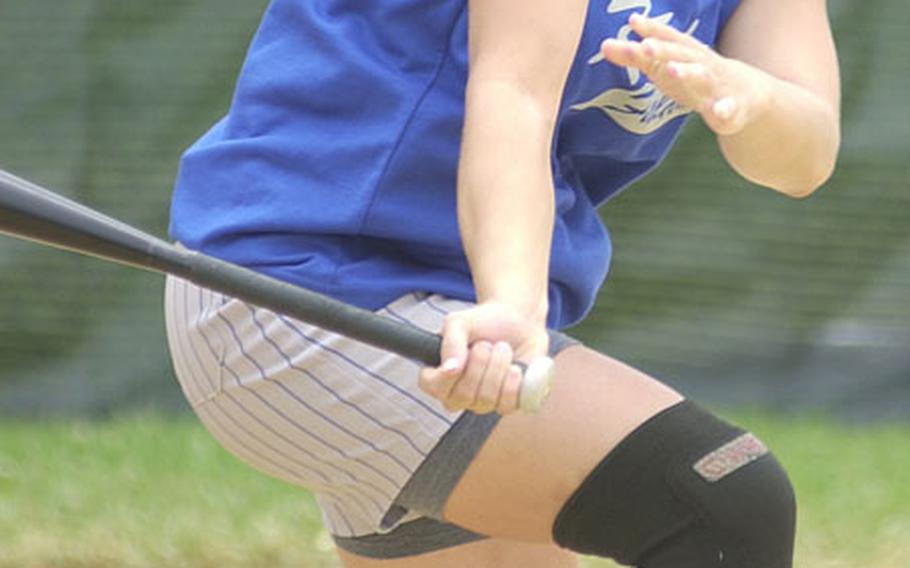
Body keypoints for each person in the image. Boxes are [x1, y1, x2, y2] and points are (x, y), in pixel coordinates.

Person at [164, 0, 840, 566]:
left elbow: (805, 156)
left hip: (445, 315)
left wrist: (754, 98)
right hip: (306, 289)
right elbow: (512, 96)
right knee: (719, 498)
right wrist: (514, 309)